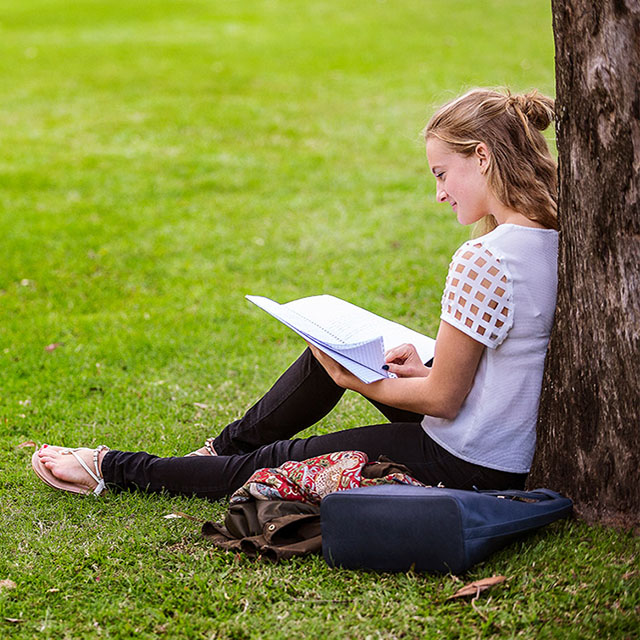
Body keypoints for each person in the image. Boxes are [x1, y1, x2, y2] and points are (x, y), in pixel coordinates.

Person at [33, 88, 559, 500]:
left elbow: (443, 399)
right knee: (327, 355)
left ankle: (112, 468)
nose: (439, 193)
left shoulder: (484, 257)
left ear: (484, 157)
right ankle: (215, 451)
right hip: (502, 446)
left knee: (287, 455)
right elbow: (501, 364)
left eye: (442, 174)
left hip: (469, 461)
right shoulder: (555, 237)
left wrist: (356, 380)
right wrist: (416, 369)